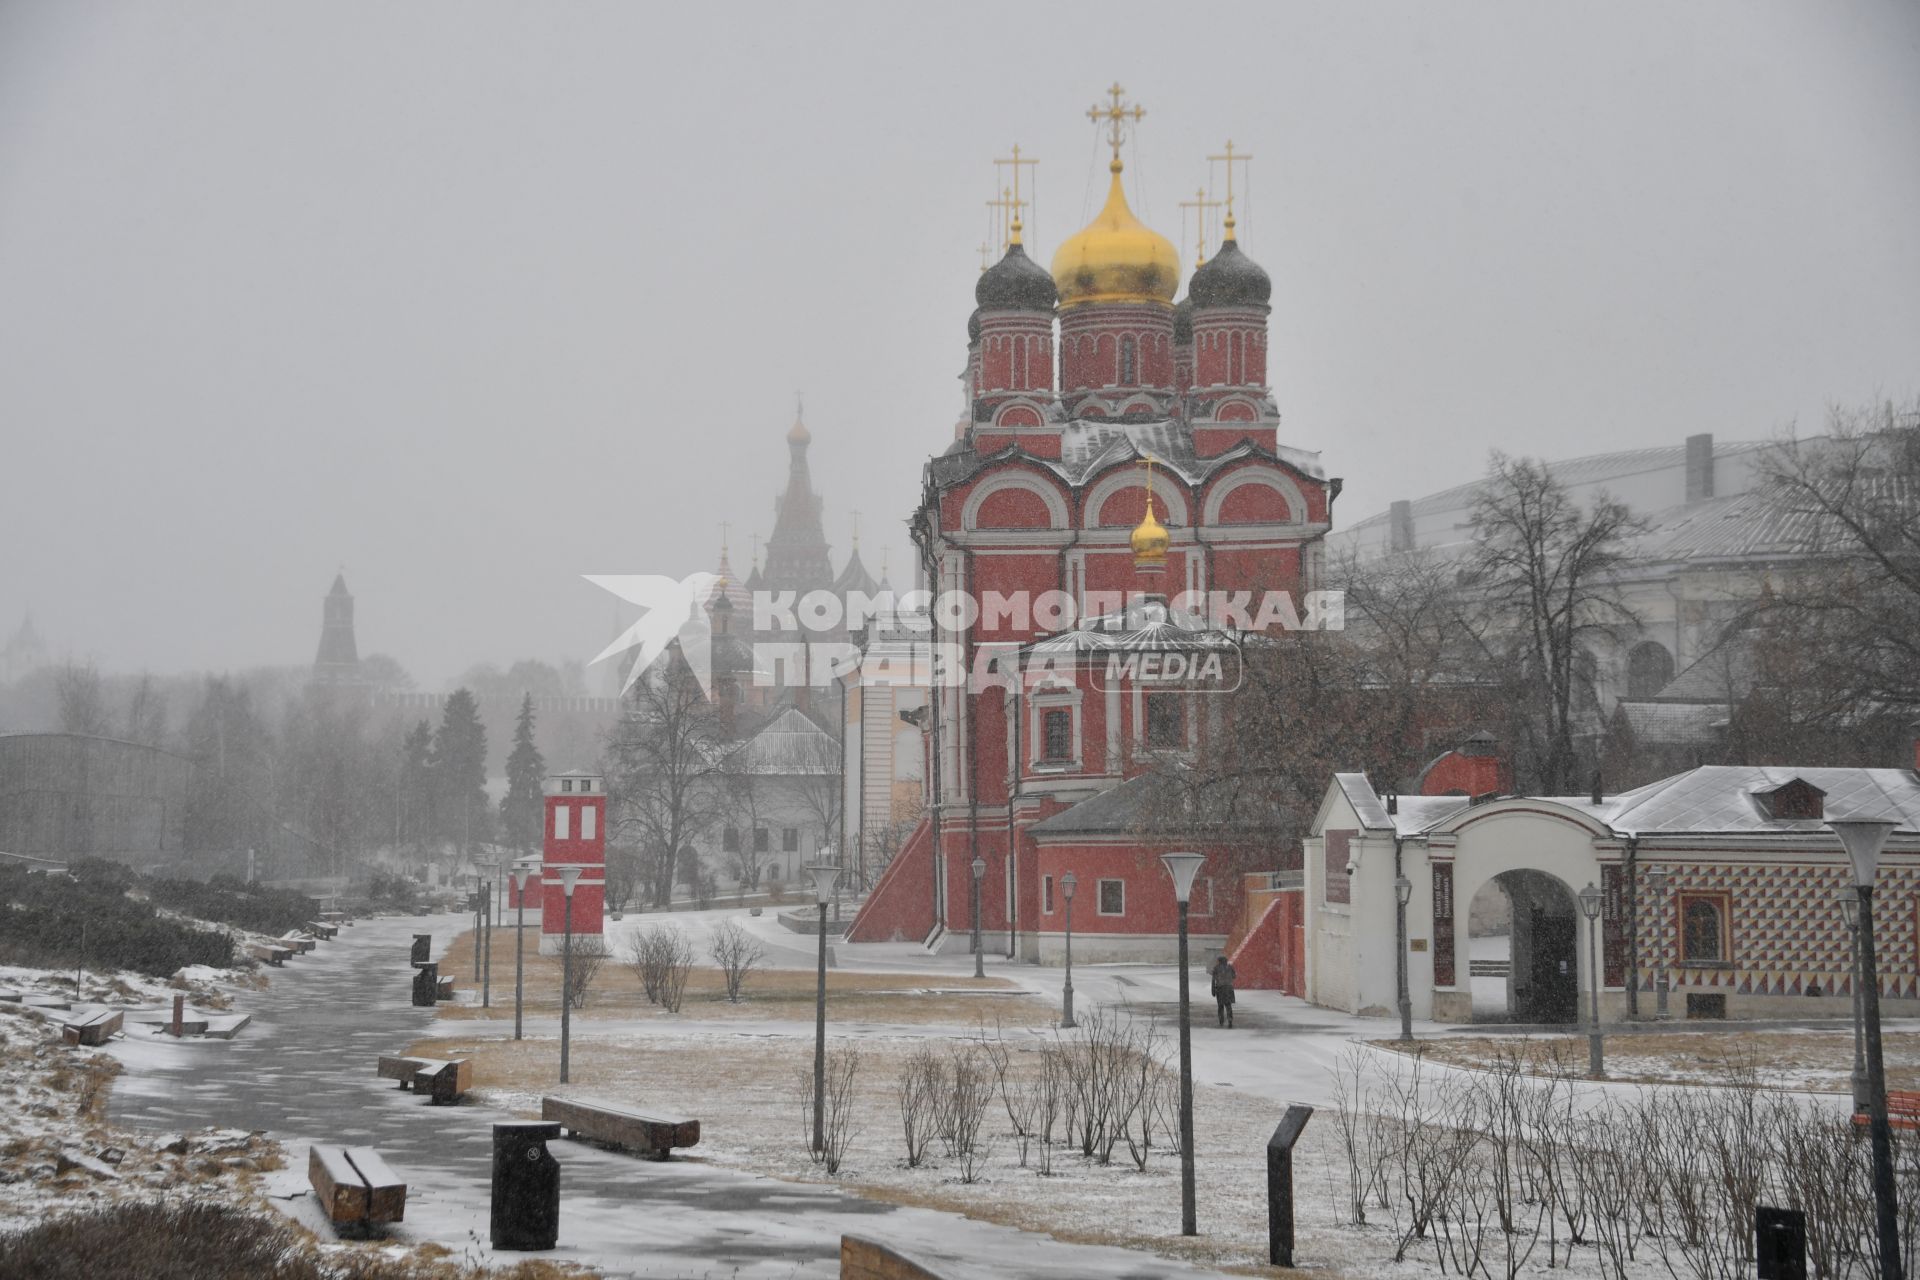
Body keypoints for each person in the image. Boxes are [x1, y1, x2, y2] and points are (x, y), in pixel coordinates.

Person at [1209, 954, 1236, 1028]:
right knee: (1228, 1005)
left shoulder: (1216, 968)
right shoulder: (1230, 967)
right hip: (1229, 988)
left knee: (1220, 1006)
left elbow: (1213, 980)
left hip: (1220, 989)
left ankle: (1221, 1021)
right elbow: (1234, 976)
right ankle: (1230, 1020)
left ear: (1219, 961)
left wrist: (1213, 991)